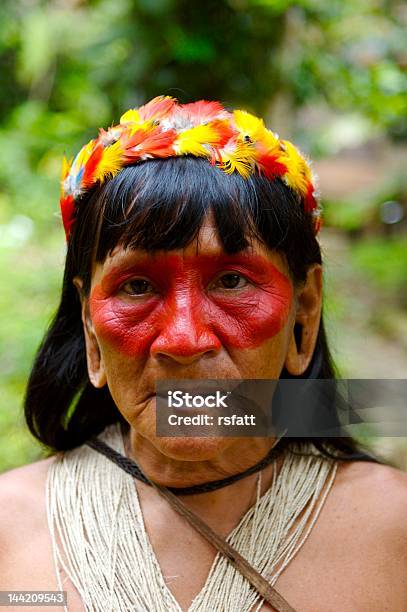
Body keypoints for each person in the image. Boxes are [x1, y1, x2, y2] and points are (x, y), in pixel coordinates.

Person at [0, 96, 406, 612]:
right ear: (88, 325)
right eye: (137, 286)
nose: (185, 340)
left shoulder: (394, 530)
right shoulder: (9, 534)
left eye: (232, 281)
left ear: (304, 312)